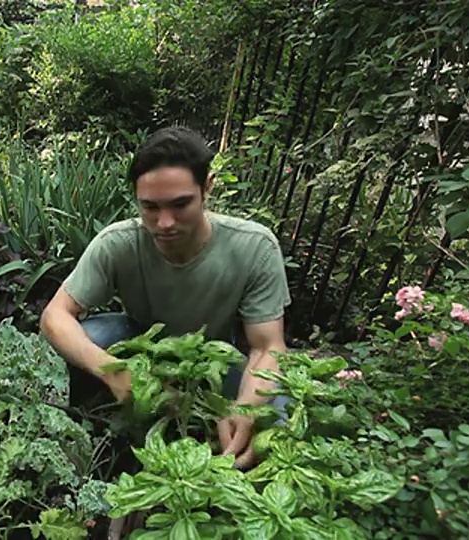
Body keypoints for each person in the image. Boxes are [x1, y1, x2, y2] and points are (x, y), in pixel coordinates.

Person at [39, 125, 292, 469]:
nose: (164, 222)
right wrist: (112, 372)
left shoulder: (254, 247)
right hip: (145, 351)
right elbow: (55, 316)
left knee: (279, 410)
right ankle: (95, 425)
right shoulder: (119, 243)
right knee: (94, 335)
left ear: (207, 188)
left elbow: (268, 347)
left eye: (180, 204)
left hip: (211, 362)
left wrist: (244, 410)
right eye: (150, 207)